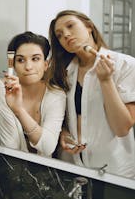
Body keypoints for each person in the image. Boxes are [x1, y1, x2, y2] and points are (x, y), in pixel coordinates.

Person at [48, 10, 135, 177]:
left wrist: (106, 81)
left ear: (89, 27)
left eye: (70, 26)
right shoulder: (63, 72)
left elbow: (122, 127)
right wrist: (63, 133)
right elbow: (65, 115)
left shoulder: (126, 65)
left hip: (113, 168)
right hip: (73, 165)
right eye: (59, 35)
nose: (66, 35)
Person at [0, 31, 66, 157]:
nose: (28, 66)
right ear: (14, 66)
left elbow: (48, 147)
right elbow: (10, 146)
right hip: (13, 167)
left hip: (47, 170)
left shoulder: (56, 95)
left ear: (45, 64)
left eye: (35, 59)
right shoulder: (3, 89)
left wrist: (19, 110)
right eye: (20, 60)